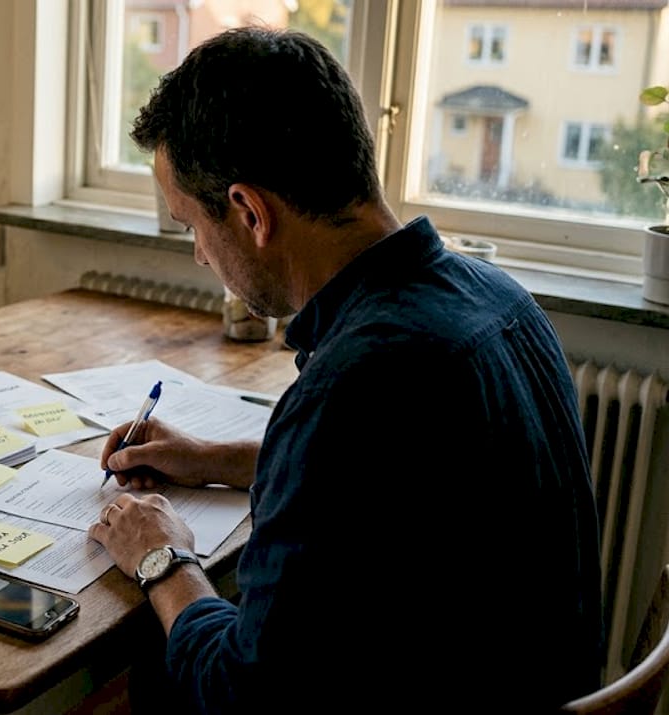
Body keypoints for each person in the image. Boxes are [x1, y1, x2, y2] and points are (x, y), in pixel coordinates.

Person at [87, 26, 602, 713]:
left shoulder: (355, 386)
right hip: (525, 683)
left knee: (159, 657)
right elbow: (389, 475)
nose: (200, 256)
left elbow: (242, 697)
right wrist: (209, 457)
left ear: (248, 212)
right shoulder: (499, 301)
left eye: (191, 228)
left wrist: (163, 557)